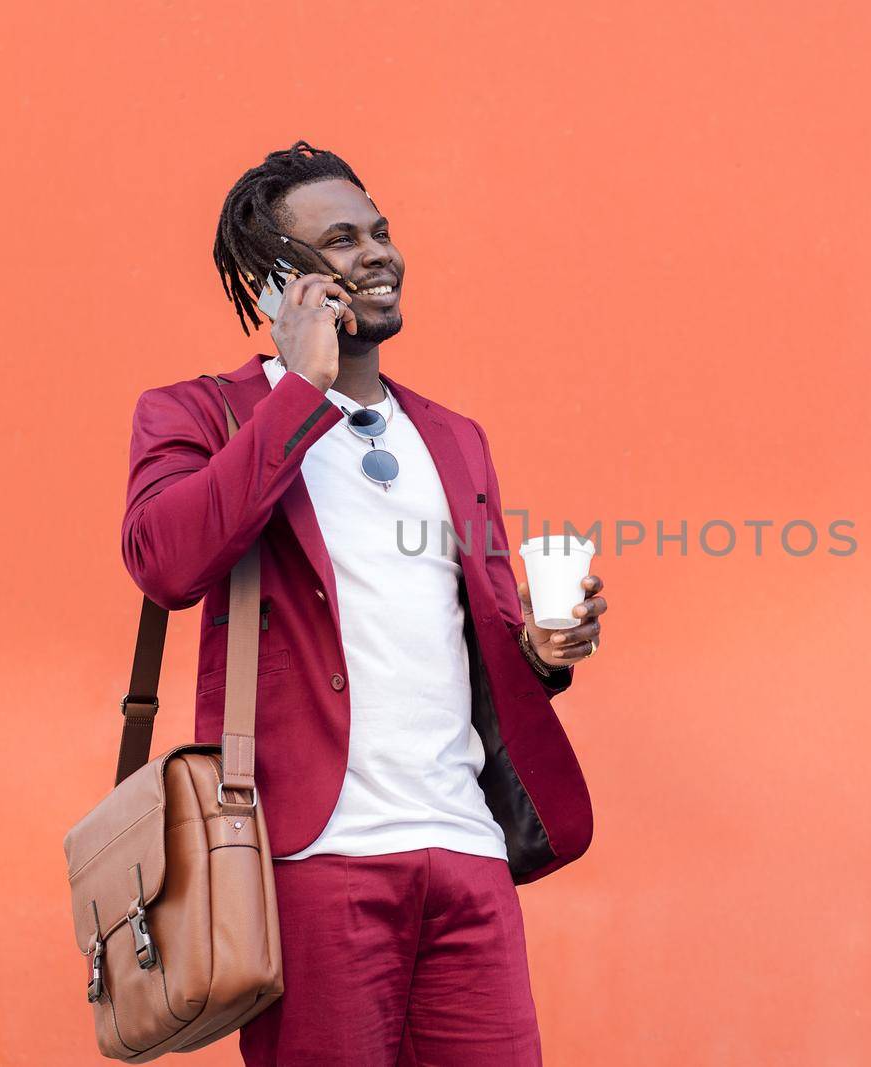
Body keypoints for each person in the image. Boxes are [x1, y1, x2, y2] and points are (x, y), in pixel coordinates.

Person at [120, 139, 608, 1065]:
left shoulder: (453, 438)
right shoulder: (201, 413)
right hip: (312, 858)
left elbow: (487, 633)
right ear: (277, 280)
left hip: (466, 848)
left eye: (380, 231)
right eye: (341, 240)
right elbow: (167, 561)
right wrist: (299, 386)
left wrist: (544, 648)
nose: (378, 254)